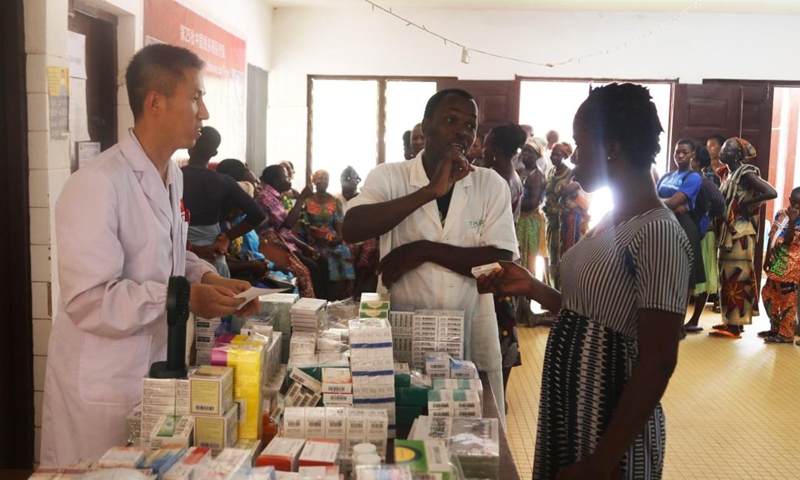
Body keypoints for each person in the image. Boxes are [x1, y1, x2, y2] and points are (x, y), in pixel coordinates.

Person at [40, 44, 257, 465]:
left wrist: (206, 277)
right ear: (155, 102)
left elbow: (169, 253)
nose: (204, 113)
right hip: (105, 382)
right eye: (195, 97)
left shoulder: (170, 173)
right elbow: (89, 300)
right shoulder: (97, 184)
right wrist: (185, 299)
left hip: (154, 373)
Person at [478, 83, 690, 480]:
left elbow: (658, 360)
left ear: (612, 147)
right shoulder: (613, 218)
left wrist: (600, 462)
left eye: (580, 143)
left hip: (609, 420)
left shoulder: (658, 231)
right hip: (575, 407)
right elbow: (599, 314)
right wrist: (535, 288)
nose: (574, 156)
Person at [343, 89, 518, 418]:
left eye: (470, 126)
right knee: (405, 429)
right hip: (402, 335)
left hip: (469, 331)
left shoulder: (490, 184)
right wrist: (429, 192)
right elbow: (351, 227)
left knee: (471, 442)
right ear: (426, 128)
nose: (461, 132)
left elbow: (500, 262)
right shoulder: (391, 176)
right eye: (451, 120)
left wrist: (423, 250)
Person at [712, 137, 777, 338]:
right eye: (722, 149)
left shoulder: (746, 173)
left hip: (740, 232)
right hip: (729, 231)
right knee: (728, 276)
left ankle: (734, 326)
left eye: (727, 149)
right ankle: (732, 322)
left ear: (738, 155)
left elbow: (770, 192)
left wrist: (748, 205)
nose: (722, 152)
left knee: (737, 276)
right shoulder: (729, 173)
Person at [182, 126, 266, 278]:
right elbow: (257, 214)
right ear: (214, 153)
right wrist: (227, 237)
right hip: (213, 254)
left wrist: (191, 247)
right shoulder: (223, 181)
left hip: (179, 254)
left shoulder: (174, 177)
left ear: (190, 148)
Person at [483, 124, 528, 399]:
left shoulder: (495, 180)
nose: (483, 149)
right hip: (505, 255)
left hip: (496, 258)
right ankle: (502, 391)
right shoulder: (513, 176)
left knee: (501, 327)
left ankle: (499, 393)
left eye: (486, 144)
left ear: (496, 148)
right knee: (505, 327)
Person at [257, 164, 328, 299]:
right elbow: (287, 226)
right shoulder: (266, 197)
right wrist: (301, 199)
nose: (290, 180)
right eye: (287, 177)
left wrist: (305, 246)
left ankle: (322, 303)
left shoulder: (276, 196)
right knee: (310, 269)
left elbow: (283, 230)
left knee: (321, 262)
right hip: (273, 246)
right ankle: (313, 307)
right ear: (277, 181)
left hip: (283, 242)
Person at [655, 139, 706, 299]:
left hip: (684, 227)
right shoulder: (666, 176)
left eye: (685, 152)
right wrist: (669, 204)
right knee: (663, 275)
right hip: (664, 226)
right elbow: (654, 201)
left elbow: (671, 202)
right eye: (678, 152)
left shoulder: (694, 177)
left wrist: (668, 203)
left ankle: (678, 323)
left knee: (683, 279)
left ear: (693, 155)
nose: (680, 155)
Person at [683, 145, 726, 332]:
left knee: (703, 276)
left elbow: (719, 202)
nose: (682, 157)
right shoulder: (684, 177)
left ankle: (694, 320)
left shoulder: (702, 180)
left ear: (697, 162)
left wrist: (706, 216)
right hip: (689, 230)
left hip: (702, 233)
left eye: (688, 155)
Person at [302, 170, 356, 300]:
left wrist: (340, 238)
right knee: (326, 256)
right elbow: (304, 222)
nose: (323, 181)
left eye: (326, 178)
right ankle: (329, 295)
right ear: (314, 181)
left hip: (331, 236)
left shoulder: (335, 201)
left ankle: (343, 294)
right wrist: (310, 235)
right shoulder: (307, 201)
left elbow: (339, 223)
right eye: (320, 178)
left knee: (344, 251)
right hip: (314, 238)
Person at [761, 187, 800, 344]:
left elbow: (789, 241)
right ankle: (775, 327)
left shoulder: (794, 219)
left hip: (791, 265)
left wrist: (792, 220)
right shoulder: (780, 213)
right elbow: (773, 236)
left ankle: (786, 333)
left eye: (799, 205)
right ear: (790, 200)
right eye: (794, 203)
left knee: (787, 299)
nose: (796, 207)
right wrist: (767, 258)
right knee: (768, 294)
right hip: (777, 263)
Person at [543, 142, 573, 290]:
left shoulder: (569, 174)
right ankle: (554, 292)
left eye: (557, 155)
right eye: (552, 154)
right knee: (551, 256)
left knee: (562, 256)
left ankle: (564, 293)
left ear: (564, 157)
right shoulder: (550, 172)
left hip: (563, 223)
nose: (554, 157)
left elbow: (572, 198)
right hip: (550, 221)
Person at [555, 143, 590, 259]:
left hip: (575, 217)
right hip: (568, 216)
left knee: (571, 251)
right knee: (565, 249)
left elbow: (563, 189)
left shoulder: (584, 177)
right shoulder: (576, 175)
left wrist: (572, 172)